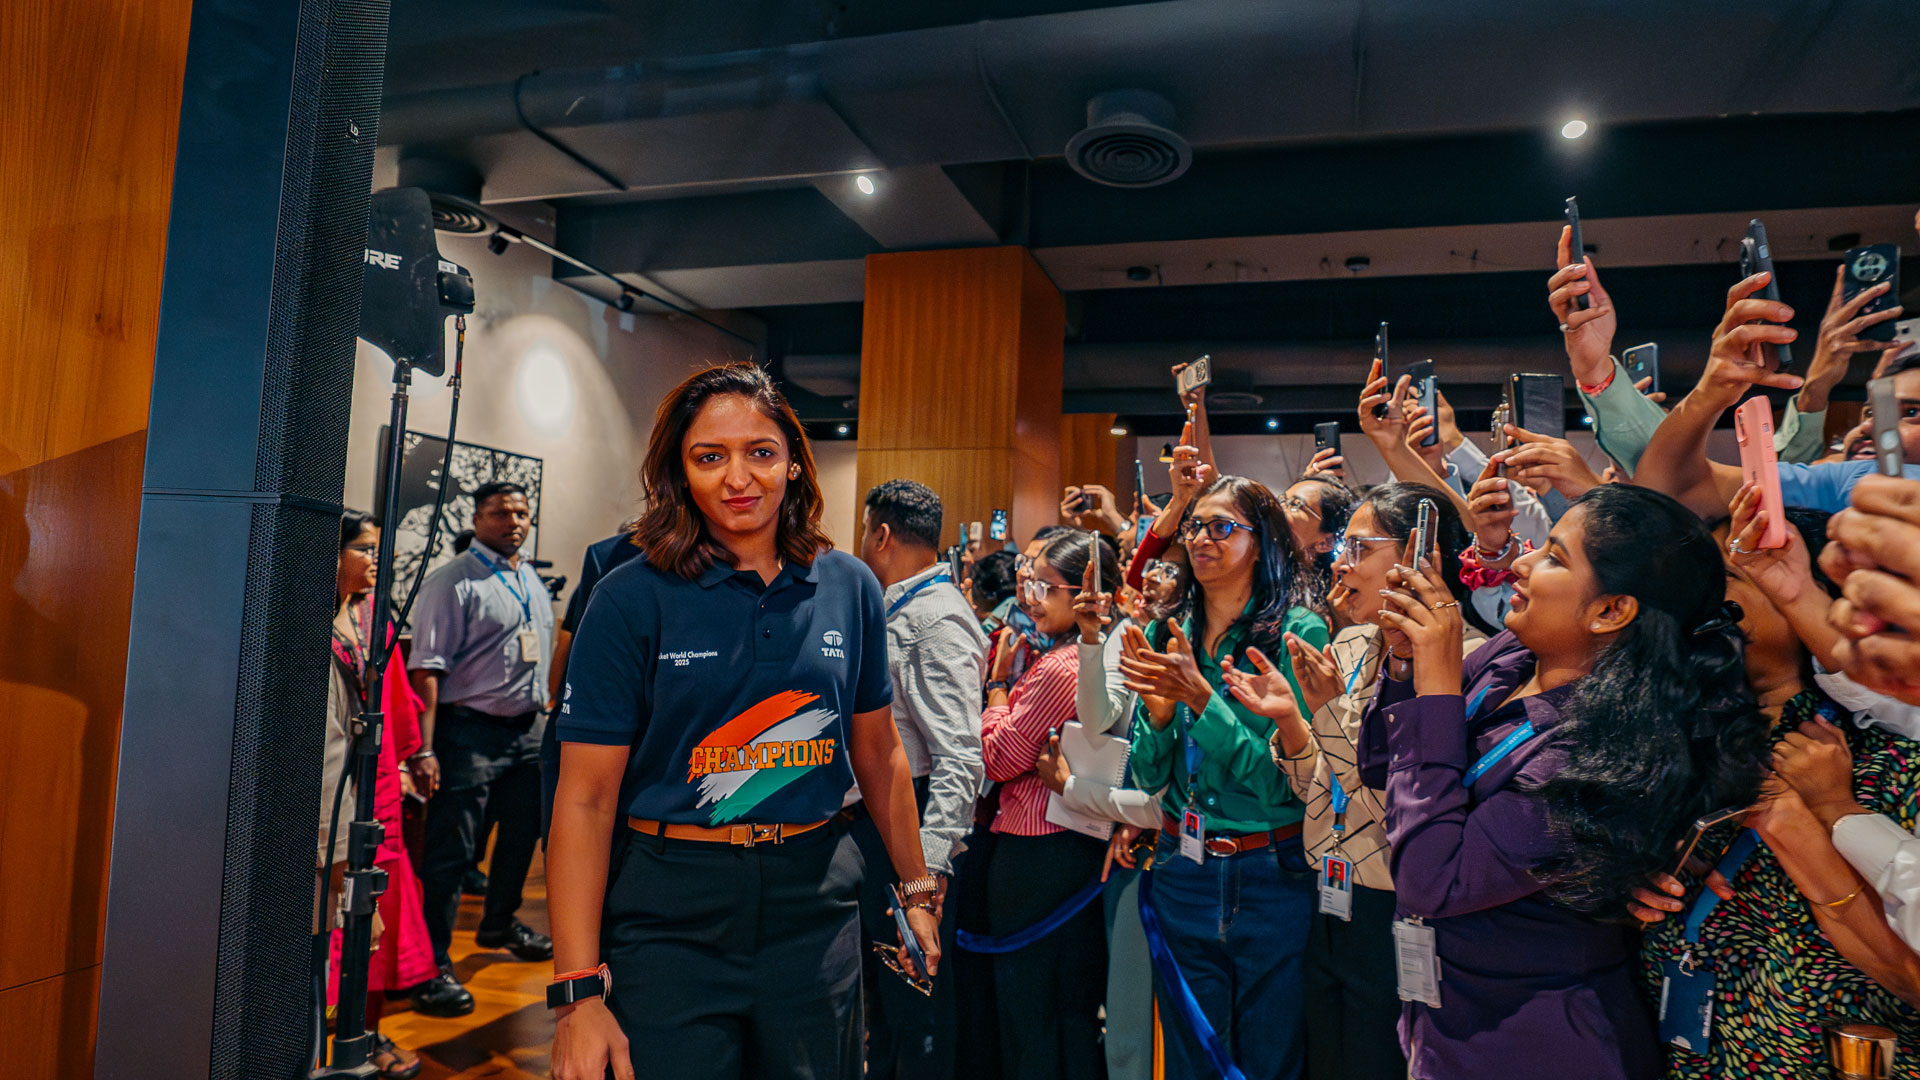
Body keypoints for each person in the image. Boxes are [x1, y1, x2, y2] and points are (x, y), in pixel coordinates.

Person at [546, 362, 939, 1080]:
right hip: (669, 913)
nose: (738, 478)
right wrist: (576, 996)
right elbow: (584, 798)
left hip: (814, 902)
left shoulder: (850, 585)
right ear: (680, 473)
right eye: (709, 456)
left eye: (760, 452)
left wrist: (916, 890)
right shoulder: (630, 596)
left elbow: (880, 753)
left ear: (794, 463)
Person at [1357, 483, 1772, 1080]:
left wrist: (1440, 688)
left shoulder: (1605, 749)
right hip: (1447, 1017)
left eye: (1553, 557)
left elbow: (1433, 881)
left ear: (1611, 611)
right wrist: (1404, 663)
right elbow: (1381, 763)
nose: (1521, 564)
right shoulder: (1512, 657)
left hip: (1537, 1038)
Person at [1626, 491, 1920, 1076]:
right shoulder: (1677, 740)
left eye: (1729, 578)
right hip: (1698, 1055)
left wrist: (1817, 823)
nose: (1700, 597)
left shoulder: (1882, 758)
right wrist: (1642, 883)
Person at [1238, 483, 1494, 1080]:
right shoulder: (1351, 642)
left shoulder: (1465, 661)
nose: (1339, 563)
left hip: (1398, 907)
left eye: (1359, 547)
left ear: (1420, 556)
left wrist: (1329, 712)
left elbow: (1401, 800)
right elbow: (1321, 786)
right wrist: (1291, 723)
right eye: (1342, 548)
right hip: (1329, 890)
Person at [1121, 473, 1331, 1080]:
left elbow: (1281, 784)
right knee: (1192, 1056)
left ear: (1261, 542)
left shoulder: (1298, 632)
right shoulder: (1167, 630)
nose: (1200, 539)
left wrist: (1201, 700)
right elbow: (1148, 776)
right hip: (1182, 867)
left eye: (1221, 527)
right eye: (1194, 527)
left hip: (1270, 871)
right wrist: (1161, 719)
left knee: (1270, 1056)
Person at [854, 478, 988, 1079]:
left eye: (864, 532)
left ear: (882, 534)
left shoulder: (935, 618)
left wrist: (925, 872)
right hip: (886, 822)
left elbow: (961, 756)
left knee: (915, 1005)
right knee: (888, 1011)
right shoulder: (905, 606)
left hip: (910, 822)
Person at [406, 480, 555, 1014]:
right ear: (476, 519)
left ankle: (498, 924)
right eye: (500, 513)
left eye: (521, 513)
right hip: (468, 731)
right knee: (452, 852)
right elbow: (426, 669)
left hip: (527, 731)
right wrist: (424, 749)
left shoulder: (528, 577)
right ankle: (433, 963)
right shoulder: (453, 581)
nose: (513, 522)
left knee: (522, 835)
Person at [977, 528, 1120, 1080]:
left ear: (1086, 594)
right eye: (1029, 584)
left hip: (1038, 849)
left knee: (1032, 1009)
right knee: (1067, 1008)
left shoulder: (1062, 666)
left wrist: (996, 688)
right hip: (1074, 845)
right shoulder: (1089, 653)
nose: (1031, 598)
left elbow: (999, 757)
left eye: (1046, 587)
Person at [326, 512, 433, 1077]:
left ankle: (364, 1034)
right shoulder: (312, 622)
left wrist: (411, 757)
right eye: (363, 549)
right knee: (330, 926)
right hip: (332, 791)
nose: (374, 559)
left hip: (378, 789)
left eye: (376, 549)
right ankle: (322, 1039)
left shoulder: (373, 621)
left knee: (374, 924)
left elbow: (398, 705)